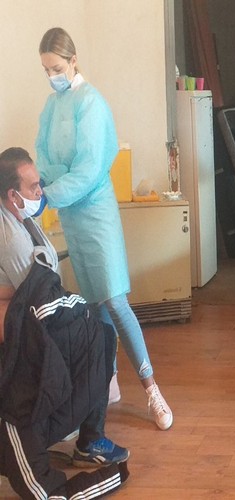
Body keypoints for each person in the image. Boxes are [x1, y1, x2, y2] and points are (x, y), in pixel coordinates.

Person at [35, 27, 173, 430]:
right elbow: (44, 159)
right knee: (94, 304)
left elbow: (90, 168)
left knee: (114, 301)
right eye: (46, 70)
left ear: (73, 60)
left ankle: (152, 389)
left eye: (56, 68)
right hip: (72, 216)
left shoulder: (91, 103)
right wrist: (56, 182)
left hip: (96, 213)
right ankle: (107, 381)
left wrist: (51, 190)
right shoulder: (51, 106)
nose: (52, 76)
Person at [0, 147, 130, 498]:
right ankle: (86, 438)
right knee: (96, 340)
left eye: (39, 183)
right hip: (26, 329)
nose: (40, 192)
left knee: (101, 336)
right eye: (33, 187)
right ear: (12, 195)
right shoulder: (9, 237)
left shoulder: (22, 219)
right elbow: (37, 292)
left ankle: (89, 438)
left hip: (34, 316)